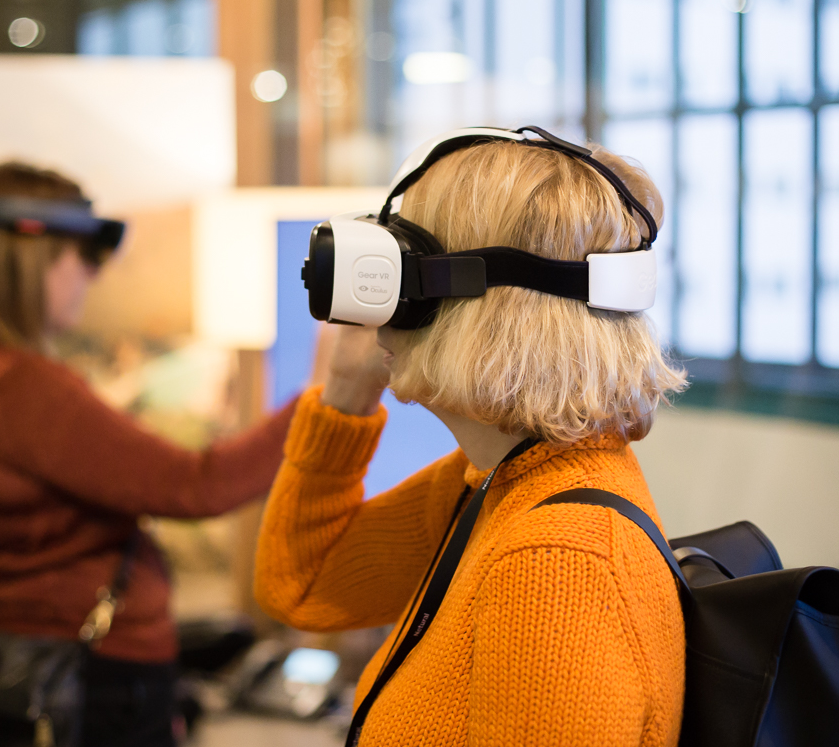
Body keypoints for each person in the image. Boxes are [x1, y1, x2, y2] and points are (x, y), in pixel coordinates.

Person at [254, 137, 689, 745]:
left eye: (403, 259)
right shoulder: (498, 483)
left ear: (473, 304)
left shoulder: (557, 562)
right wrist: (346, 393)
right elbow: (303, 585)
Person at [0, 161, 296, 747]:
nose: (91, 276)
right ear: (32, 255)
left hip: (35, 665)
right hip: (91, 677)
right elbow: (199, 485)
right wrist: (329, 399)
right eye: (84, 255)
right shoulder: (19, 385)